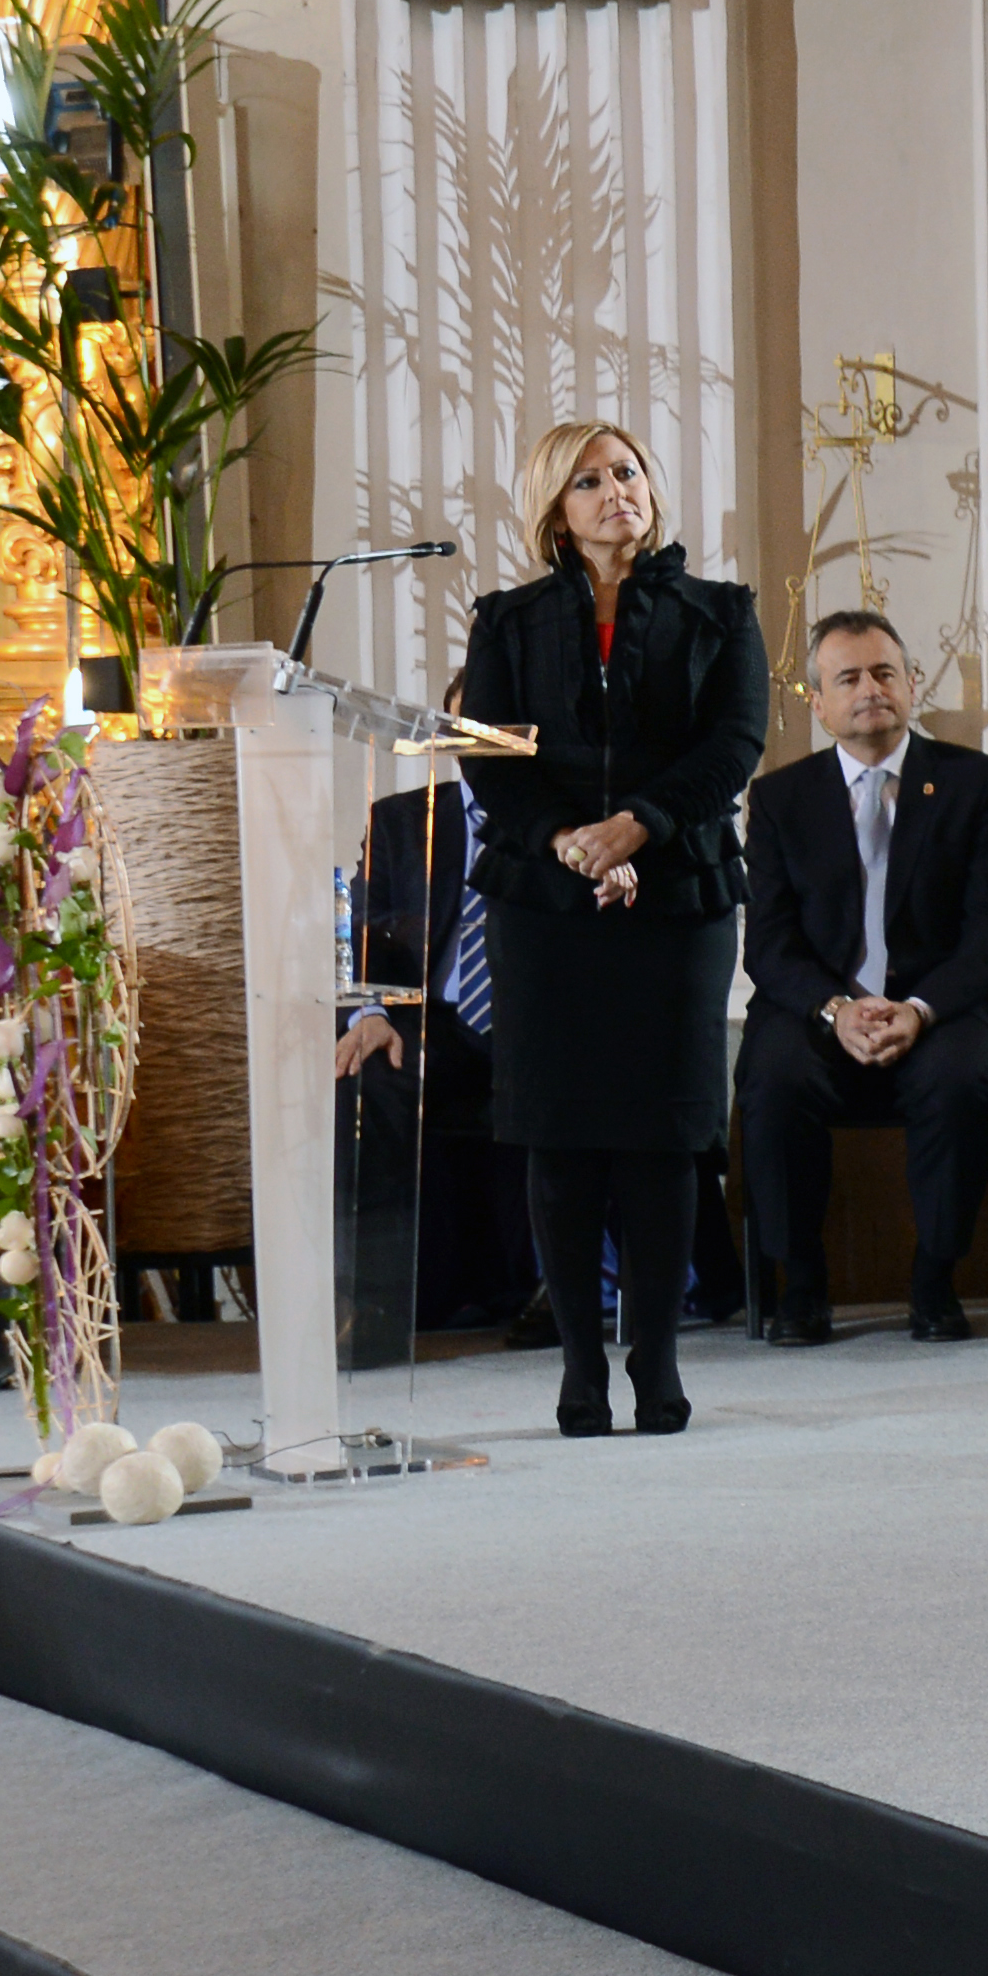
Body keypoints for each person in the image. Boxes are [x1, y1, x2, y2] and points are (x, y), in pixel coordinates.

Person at [452, 419, 768, 1436]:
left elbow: (735, 742)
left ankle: (659, 1359)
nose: (614, 491)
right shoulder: (504, 621)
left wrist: (638, 827)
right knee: (561, 1132)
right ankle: (580, 1365)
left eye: (626, 472)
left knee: (660, 1135)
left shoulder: (720, 611)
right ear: (556, 506)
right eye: (588, 480)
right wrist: (570, 843)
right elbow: (490, 754)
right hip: (547, 899)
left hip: (673, 890)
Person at [733, 609, 988, 1341]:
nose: (870, 689)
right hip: (822, 1012)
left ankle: (935, 1279)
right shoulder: (779, 799)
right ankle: (800, 1283)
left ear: (910, 684)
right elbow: (769, 945)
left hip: (942, 1010)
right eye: (849, 678)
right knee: (771, 1078)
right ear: (820, 701)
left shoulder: (974, 783)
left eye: (884, 673)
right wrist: (836, 1009)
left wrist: (920, 1009)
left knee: (960, 1078)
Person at [327, 769, 530, 1365]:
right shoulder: (401, 819)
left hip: (532, 1020)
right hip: (431, 1020)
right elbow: (361, 928)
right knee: (366, 1076)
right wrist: (368, 1010)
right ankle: (373, 1308)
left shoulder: (551, 812)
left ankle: (549, 1290)